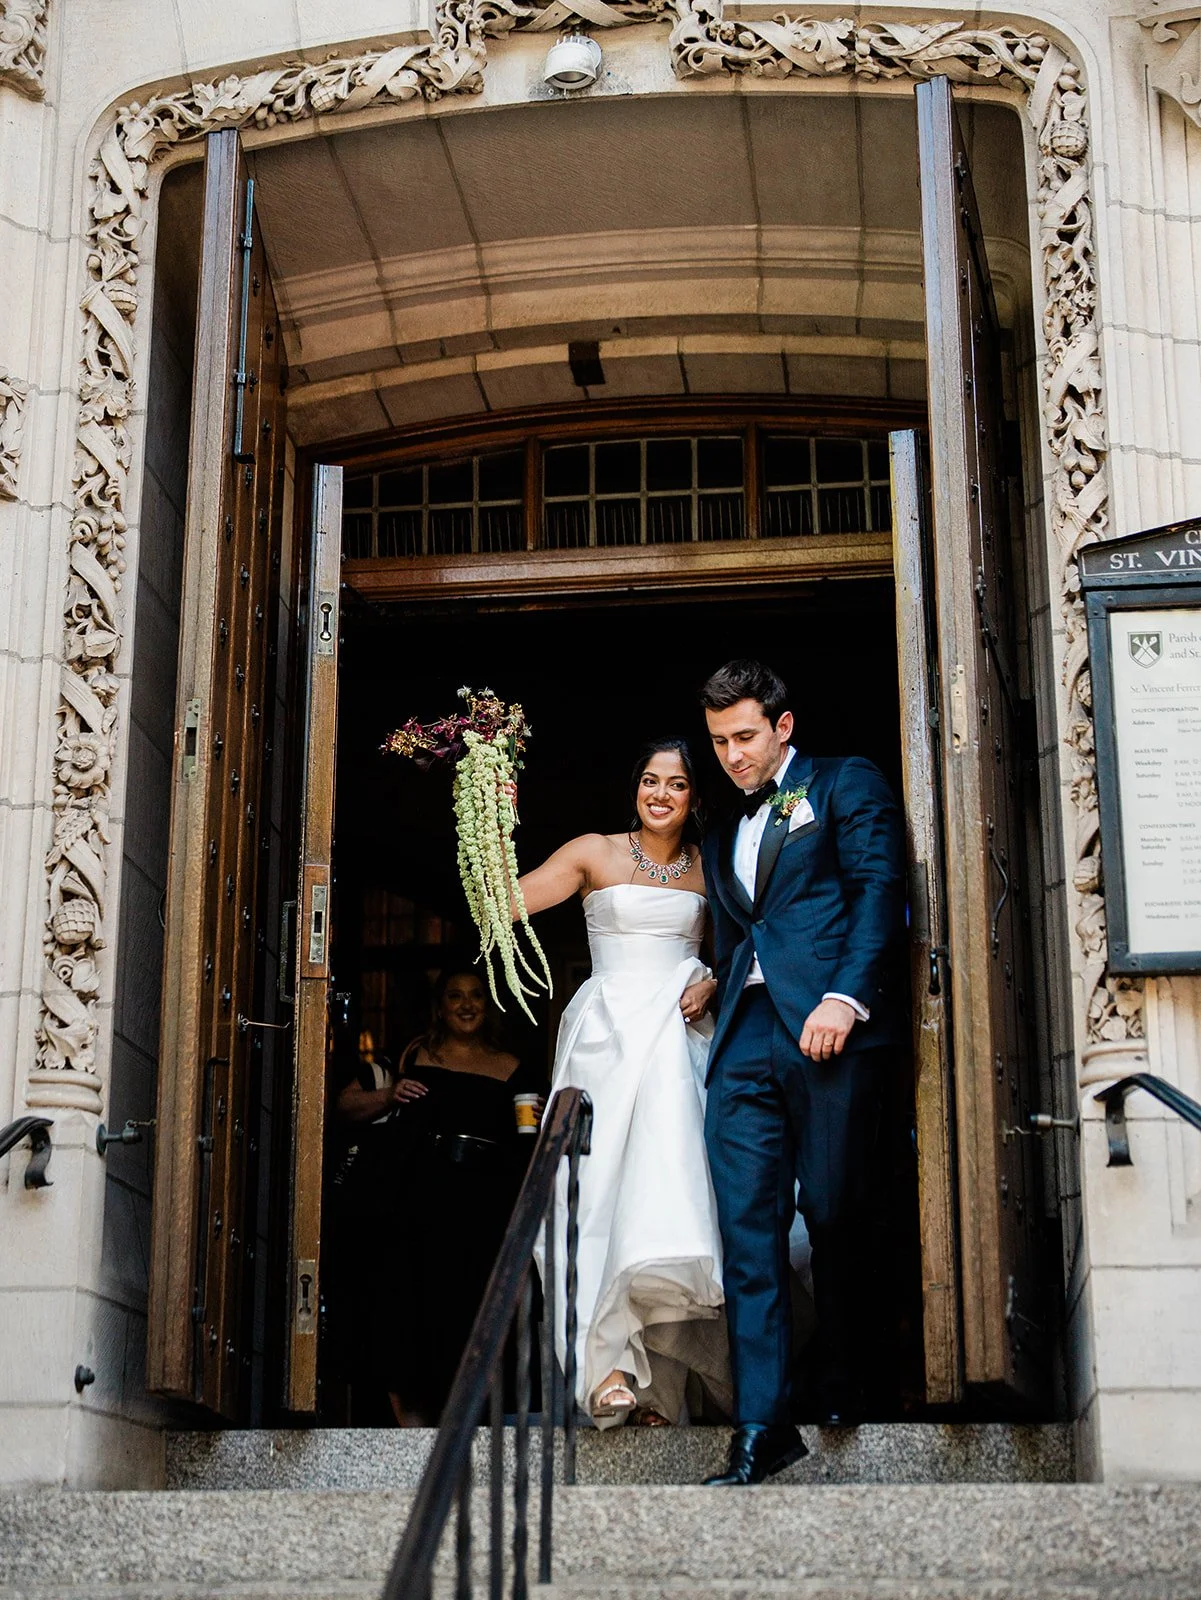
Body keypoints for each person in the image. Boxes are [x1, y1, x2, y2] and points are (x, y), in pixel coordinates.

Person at [698, 658, 906, 1486]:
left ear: (783, 727)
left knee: (834, 1211)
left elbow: (878, 885)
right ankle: (761, 1422)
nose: (731, 756)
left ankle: (852, 1377)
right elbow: (743, 927)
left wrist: (845, 997)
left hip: (827, 1029)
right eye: (718, 742)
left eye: (744, 737)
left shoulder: (841, 782)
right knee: (747, 1234)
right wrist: (708, 975)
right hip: (743, 1037)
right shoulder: (722, 830)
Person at [519, 739, 732, 1426]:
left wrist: (716, 982)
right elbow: (507, 902)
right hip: (606, 1040)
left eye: (675, 783)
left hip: (678, 1042)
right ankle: (605, 1368)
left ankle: (659, 1390)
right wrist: (487, 815)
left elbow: (756, 943)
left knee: (668, 1195)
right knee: (597, 1190)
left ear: (695, 797)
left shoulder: (713, 867)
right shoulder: (594, 853)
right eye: (648, 780)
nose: (660, 794)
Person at [384, 967, 541, 1423]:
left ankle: (478, 1414)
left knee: (478, 1303)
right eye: (455, 996)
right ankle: (421, 1416)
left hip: (487, 1207)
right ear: (440, 1006)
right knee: (422, 1304)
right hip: (424, 1203)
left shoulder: (514, 1067)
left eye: (476, 996)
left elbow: (528, 1135)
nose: (467, 1005)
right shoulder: (417, 1057)